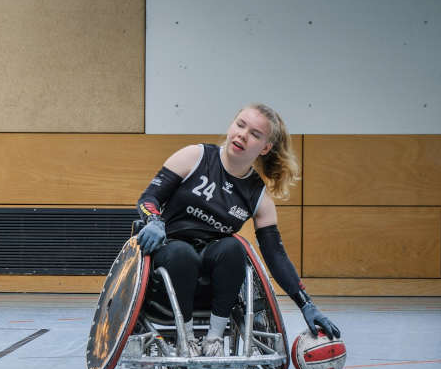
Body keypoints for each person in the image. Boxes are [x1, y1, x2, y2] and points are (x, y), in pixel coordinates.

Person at [135, 103, 340, 356]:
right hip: (169, 256)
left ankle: (214, 338)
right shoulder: (195, 156)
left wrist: (306, 304)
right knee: (183, 254)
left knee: (235, 247)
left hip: (214, 268)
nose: (243, 134)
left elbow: (275, 256)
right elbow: (148, 199)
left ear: (265, 148)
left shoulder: (258, 197)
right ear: (232, 126)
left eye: (255, 133)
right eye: (240, 125)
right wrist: (154, 220)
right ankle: (185, 337)